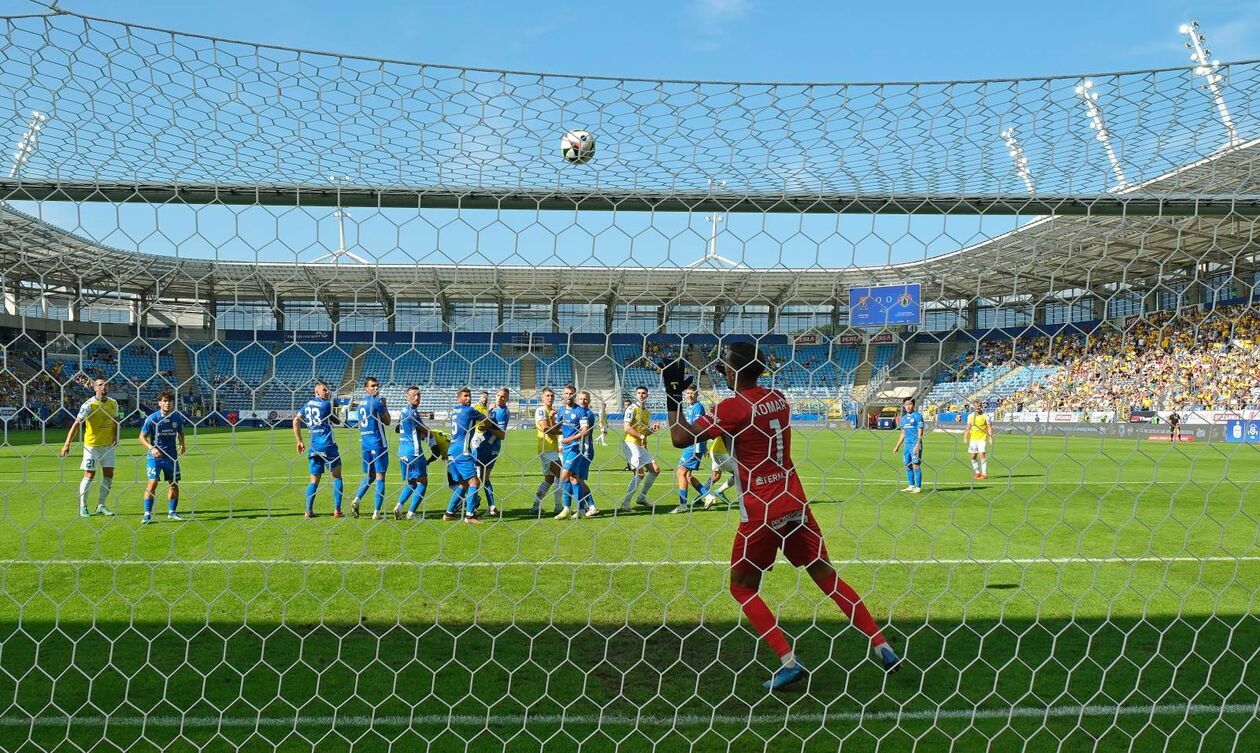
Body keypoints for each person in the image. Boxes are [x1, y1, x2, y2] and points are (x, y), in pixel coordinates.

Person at [663, 344, 901, 690]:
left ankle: (788, 660)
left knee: (742, 588)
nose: (723, 374)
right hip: (794, 501)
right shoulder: (778, 398)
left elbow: (678, 438)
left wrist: (672, 402)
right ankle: (883, 645)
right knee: (826, 576)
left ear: (733, 372)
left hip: (761, 509)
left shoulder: (732, 407)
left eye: (725, 369)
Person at [60, 377, 119, 518]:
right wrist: (67, 444)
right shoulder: (88, 405)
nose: (103, 387)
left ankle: (101, 505)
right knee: (89, 475)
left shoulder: (113, 403)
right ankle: (83, 506)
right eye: (100, 385)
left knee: (109, 474)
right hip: (92, 446)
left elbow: (116, 421)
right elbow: (76, 424)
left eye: (105, 385)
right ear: (94, 388)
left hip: (108, 446)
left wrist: (116, 436)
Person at [293, 381, 345, 518]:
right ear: (316, 392)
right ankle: (337, 510)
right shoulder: (326, 404)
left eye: (328, 390)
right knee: (337, 477)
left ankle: (308, 511)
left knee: (313, 481)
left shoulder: (307, 405)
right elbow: (336, 420)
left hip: (314, 447)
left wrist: (299, 441)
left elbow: (295, 421)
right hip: (328, 446)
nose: (327, 392)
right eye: (324, 390)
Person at [138, 389, 187, 524]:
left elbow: (181, 432)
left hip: (171, 457)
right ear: (159, 403)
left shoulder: (177, 418)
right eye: (165, 401)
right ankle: (147, 514)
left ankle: (172, 512)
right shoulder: (152, 419)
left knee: (174, 484)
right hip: (155, 457)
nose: (168, 404)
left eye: (170, 401)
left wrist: (182, 443)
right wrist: (151, 448)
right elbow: (141, 437)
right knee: (153, 482)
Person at [350, 377, 391, 520]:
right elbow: (388, 421)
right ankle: (377, 512)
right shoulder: (377, 401)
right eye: (373, 386)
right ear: (365, 388)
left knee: (369, 476)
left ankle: (357, 500)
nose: (376, 388)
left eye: (377, 386)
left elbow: (360, 425)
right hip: (378, 444)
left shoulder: (360, 405)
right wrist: (385, 406)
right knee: (380, 477)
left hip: (365, 445)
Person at [555, 385, 598, 519]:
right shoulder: (561, 410)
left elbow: (585, 431)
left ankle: (567, 508)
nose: (568, 396)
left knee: (564, 476)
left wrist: (570, 439)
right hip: (567, 448)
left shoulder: (583, 412)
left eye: (571, 394)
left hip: (578, 449)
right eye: (566, 393)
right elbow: (559, 427)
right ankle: (580, 509)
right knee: (574, 478)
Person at [443, 387, 484, 523]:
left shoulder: (454, 410)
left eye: (470, 396)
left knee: (463, 484)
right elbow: (485, 419)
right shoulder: (469, 410)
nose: (469, 398)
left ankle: (449, 513)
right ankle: (470, 516)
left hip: (452, 450)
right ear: (459, 397)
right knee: (474, 482)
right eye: (465, 396)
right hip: (462, 451)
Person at [392, 386, 430, 520]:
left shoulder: (403, 411)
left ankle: (399, 506)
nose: (417, 398)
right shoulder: (412, 412)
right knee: (423, 483)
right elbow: (425, 430)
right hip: (414, 452)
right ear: (407, 397)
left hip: (402, 452)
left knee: (411, 483)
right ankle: (411, 513)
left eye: (418, 395)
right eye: (413, 395)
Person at [620, 385, 661, 511]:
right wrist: (641, 436)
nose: (641, 395)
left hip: (640, 444)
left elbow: (645, 432)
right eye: (639, 393)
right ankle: (625, 504)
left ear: (647, 395)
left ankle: (642, 497)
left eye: (644, 393)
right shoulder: (631, 409)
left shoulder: (647, 412)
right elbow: (627, 428)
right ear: (636, 395)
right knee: (640, 473)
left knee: (655, 470)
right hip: (630, 443)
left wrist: (652, 430)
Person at [673, 385, 710, 514]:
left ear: (697, 394)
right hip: (691, 444)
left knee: (680, 472)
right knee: (687, 476)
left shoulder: (698, 407)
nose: (690, 395)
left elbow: (697, 428)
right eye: (688, 393)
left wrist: (702, 445)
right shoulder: (689, 407)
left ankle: (683, 505)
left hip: (694, 444)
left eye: (692, 393)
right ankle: (708, 496)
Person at [477, 387, 511, 517]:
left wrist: (486, 427)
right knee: (483, 478)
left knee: (473, 476)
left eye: (503, 396)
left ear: (507, 399)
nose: (500, 398)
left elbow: (502, 434)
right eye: (498, 395)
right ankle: (491, 507)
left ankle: (472, 504)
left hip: (490, 447)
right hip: (485, 445)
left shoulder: (502, 412)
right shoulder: (494, 409)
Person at [531, 387, 564, 516]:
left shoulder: (551, 412)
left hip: (552, 448)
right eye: (547, 396)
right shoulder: (541, 410)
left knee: (549, 479)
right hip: (546, 448)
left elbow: (554, 427)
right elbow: (546, 428)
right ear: (542, 398)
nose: (550, 398)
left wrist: (555, 421)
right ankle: (559, 507)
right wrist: (565, 432)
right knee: (561, 475)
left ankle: (535, 506)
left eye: (552, 396)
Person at [893, 397, 924, 494]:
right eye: (906, 404)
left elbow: (920, 433)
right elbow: (903, 433)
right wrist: (897, 446)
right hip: (907, 445)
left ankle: (918, 487)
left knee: (915, 465)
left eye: (910, 404)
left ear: (914, 405)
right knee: (908, 465)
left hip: (915, 444)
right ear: (903, 406)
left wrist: (917, 445)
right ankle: (911, 485)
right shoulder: (904, 418)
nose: (908, 406)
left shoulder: (918, 416)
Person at [966, 400, 993, 480]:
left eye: (979, 406)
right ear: (973, 407)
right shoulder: (970, 416)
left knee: (982, 454)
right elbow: (968, 427)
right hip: (973, 439)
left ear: (981, 406)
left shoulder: (986, 416)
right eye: (976, 406)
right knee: (973, 456)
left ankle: (984, 474)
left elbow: (989, 427)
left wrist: (991, 437)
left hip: (982, 438)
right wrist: (965, 437)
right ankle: (977, 472)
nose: (978, 407)